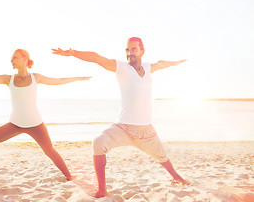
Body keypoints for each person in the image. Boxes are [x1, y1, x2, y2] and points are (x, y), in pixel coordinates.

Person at [52, 37, 188, 198]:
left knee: (163, 157)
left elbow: (162, 63)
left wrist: (177, 62)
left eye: (134, 49)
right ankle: (102, 189)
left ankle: (176, 177)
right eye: (127, 50)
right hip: (122, 128)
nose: (130, 53)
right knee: (98, 142)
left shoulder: (148, 67)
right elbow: (96, 58)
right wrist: (73, 53)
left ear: (142, 51)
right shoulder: (121, 67)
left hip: (146, 131)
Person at [0, 49, 90, 189]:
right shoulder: (8, 79)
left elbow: (58, 80)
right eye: (11, 58)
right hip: (15, 124)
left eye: (15, 58)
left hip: (35, 124)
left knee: (50, 151)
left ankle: (70, 176)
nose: (12, 60)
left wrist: (77, 78)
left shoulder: (36, 77)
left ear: (25, 59)